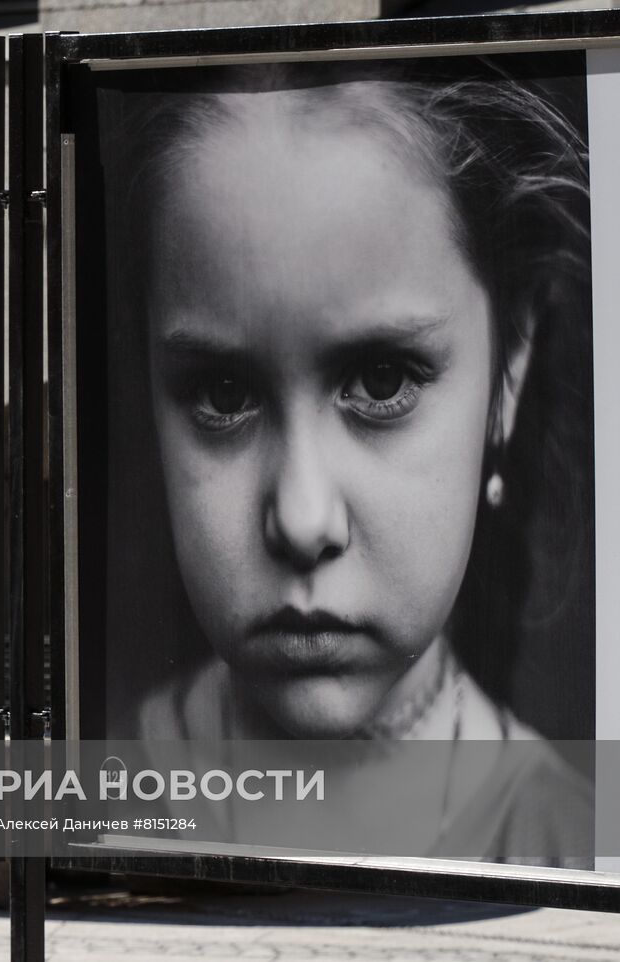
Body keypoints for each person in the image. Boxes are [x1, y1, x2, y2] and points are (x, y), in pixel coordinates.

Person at [96, 55, 594, 863]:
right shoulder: (88, 803)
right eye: (222, 393)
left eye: (382, 379)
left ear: (509, 372)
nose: (301, 518)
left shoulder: (570, 851)